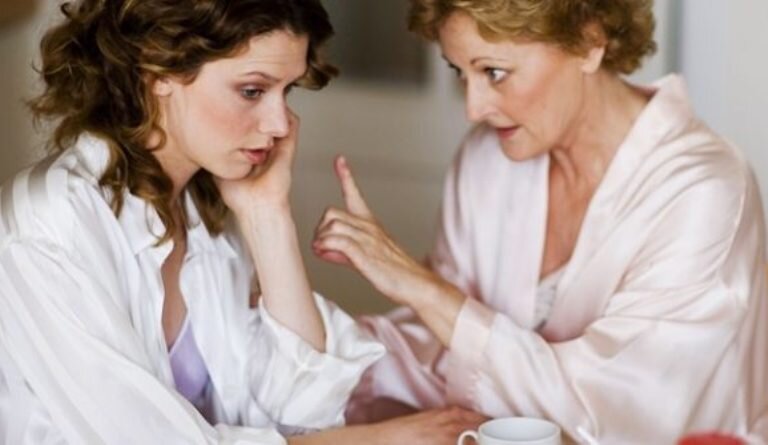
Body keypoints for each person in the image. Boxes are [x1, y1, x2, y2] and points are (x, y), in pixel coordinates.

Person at [312, 0, 768, 443]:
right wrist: (307, 340)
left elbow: (619, 414)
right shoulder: (486, 159)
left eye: (494, 72)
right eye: (460, 72)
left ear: (589, 41)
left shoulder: (703, 191)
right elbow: (439, 357)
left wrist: (423, 288)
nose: (473, 108)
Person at [0, 0, 397, 443]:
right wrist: (374, 440)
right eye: (252, 91)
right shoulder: (50, 225)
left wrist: (267, 215)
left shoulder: (205, 212)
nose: (280, 124)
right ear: (158, 70)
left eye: (287, 91)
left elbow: (305, 412)